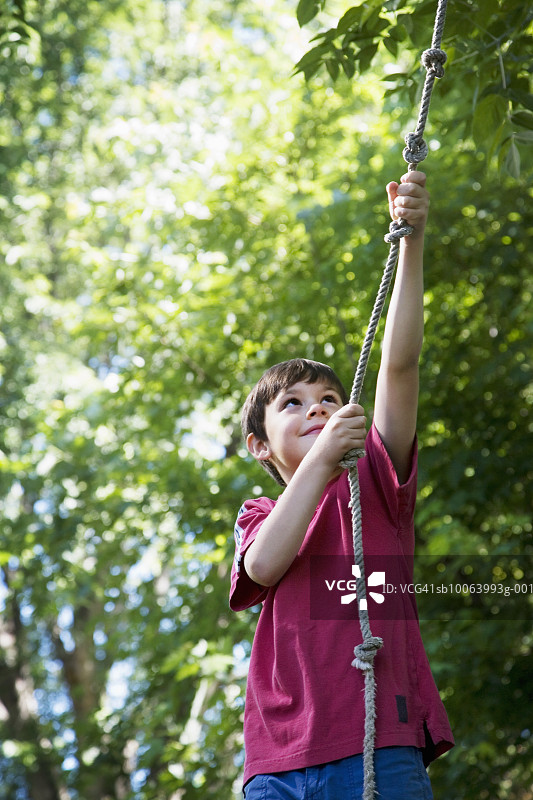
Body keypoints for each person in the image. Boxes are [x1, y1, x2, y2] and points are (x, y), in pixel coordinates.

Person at [229, 171, 454, 800]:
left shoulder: (377, 482)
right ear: (259, 447)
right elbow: (267, 564)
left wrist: (410, 241)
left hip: (377, 747)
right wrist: (323, 460)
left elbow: (399, 366)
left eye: (329, 399)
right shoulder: (258, 516)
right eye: (294, 404)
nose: (318, 410)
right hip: (277, 763)